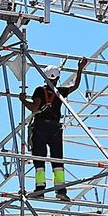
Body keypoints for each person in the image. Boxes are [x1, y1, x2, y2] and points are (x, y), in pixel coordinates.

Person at [17, 61, 85, 198]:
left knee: (39, 158)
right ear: (58, 78)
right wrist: (80, 68)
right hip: (55, 128)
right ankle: (60, 190)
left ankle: (40, 188)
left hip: (41, 127)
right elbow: (75, 86)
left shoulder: (40, 91)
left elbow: (35, 108)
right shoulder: (60, 92)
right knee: (57, 159)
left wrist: (23, 100)